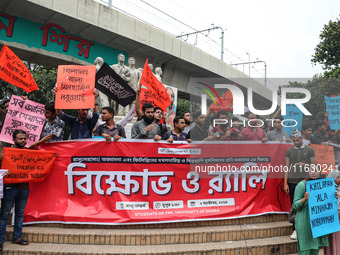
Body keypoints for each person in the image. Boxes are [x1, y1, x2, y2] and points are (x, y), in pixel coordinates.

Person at [0, 130, 30, 250]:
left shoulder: (29, 153)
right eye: (20, 139)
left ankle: (17, 237)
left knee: (19, 214)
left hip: (24, 188)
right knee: (4, 215)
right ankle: (1, 241)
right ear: (14, 140)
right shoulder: (6, 153)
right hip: (10, 188)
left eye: (24, 138)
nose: (23, 141)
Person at [284, 129, 316, 240]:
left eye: (297, 140)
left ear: (302, 138)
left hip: (306, 180)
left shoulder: (310, 150)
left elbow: (314, 166)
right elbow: (286, 167)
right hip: (293, 181)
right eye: (294, 141)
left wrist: (305, 165)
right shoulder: (289, 151)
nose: (296, 142)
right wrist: (285, 183)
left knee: (308, 205)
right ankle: (295, 229)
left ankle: (308, 229)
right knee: (295, 205)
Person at [293, 165, 328, 254]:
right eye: (311, 170)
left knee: (315, 249)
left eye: (316, 170)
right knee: (305, 250)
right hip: (304, 223)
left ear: (320, 172)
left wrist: (334, 197)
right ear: (308, 171)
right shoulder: (302, 185)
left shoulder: (323, 185)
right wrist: (304, 199)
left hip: (317, 224)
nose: (313, 172)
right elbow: (295, 205)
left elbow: (327, 204)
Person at [324, 170, 340, 255]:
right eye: (337, 177)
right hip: (331, 218)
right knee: (331, 240)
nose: (339, 179)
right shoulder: (326, 190)